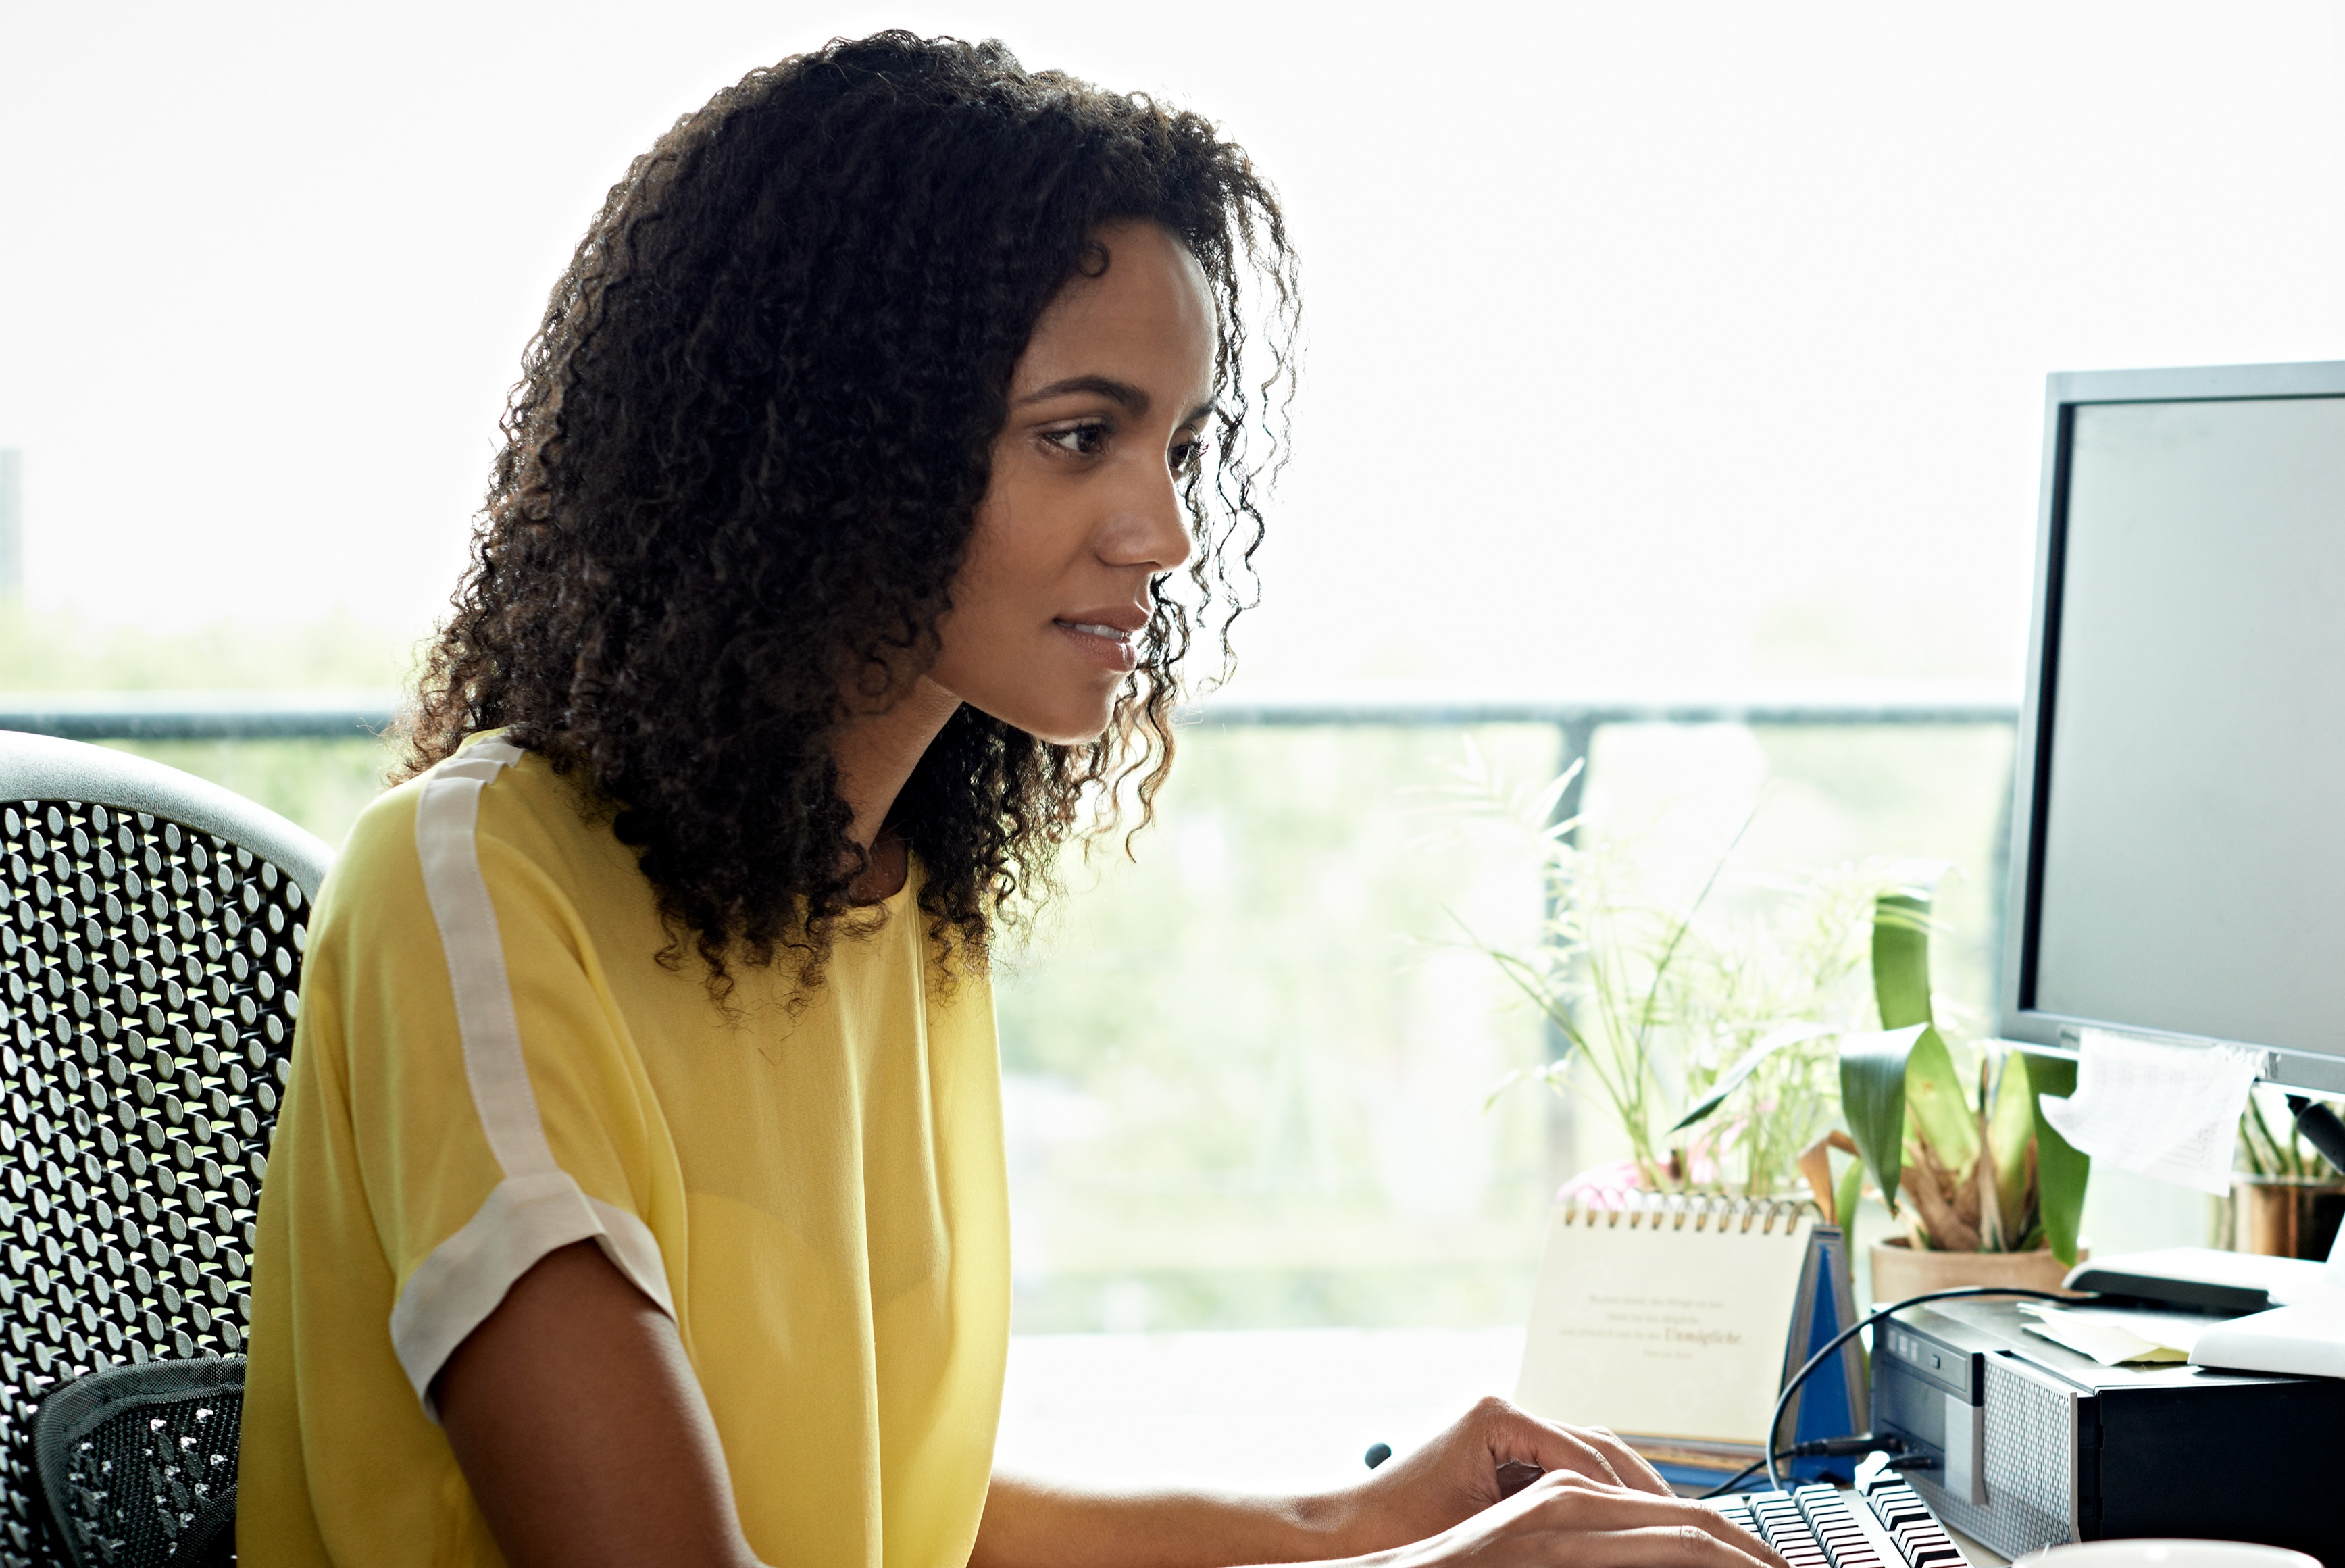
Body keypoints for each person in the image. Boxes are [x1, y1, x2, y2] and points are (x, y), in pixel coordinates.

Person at [236, 33, 1789, 1568]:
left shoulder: (905, 912)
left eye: (1178, 445)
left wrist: (1357, 1519)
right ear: (839, 439)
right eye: (1078, 437)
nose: (1167, 532)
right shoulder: (477, 884)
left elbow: (894, 1527)